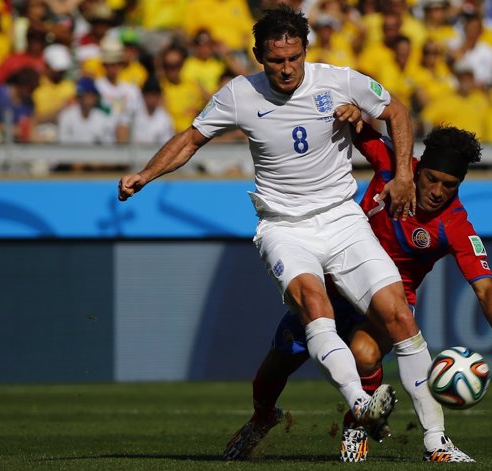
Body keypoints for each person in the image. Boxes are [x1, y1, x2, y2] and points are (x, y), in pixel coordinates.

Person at [118, 4, 427, 447]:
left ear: (306, 50)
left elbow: (396, 111)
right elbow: (190, 138)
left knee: (381, 332)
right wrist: (145, 174)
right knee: (283, 355)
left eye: (294, 58)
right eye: (276, 60)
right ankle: (265, 416)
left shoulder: (340, 82)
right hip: (287, 229)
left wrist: (403, 176)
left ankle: (379, 423)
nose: (287, 68)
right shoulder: (239, 94)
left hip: (342, 227)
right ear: (259, 56)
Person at [222, 119, 492, 463]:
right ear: (418, 169)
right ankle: (262, 417)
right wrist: (352, 109)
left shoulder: (455, 225)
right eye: (432, 180)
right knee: (275, 367)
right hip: (333, 291)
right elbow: (356, 128)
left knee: (364, 354)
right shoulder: (392, 167)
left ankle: (365, 425)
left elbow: (485, 288)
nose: (438, 192)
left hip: (388, 305)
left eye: (450, 186)